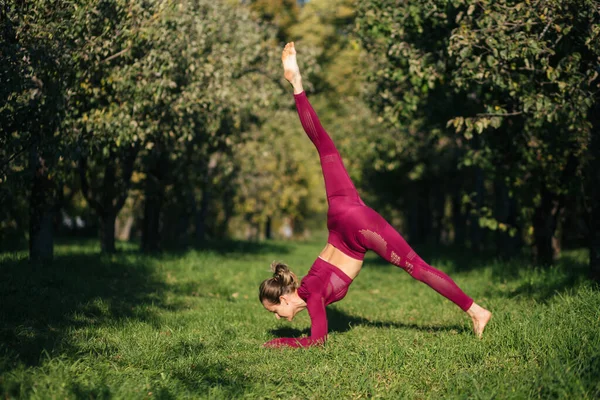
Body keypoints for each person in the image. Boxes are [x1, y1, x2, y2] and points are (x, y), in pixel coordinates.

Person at [259, 42, 491, 348]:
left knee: (418, 268)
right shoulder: (307, 288)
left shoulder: (310, 295)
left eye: (274, 310)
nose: (277, 317)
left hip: (357, 229)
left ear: (286, 298)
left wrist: (276, 344)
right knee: (324, 147)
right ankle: (297, 85)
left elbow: (317, 342)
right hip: (341, 213)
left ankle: (476, 311)